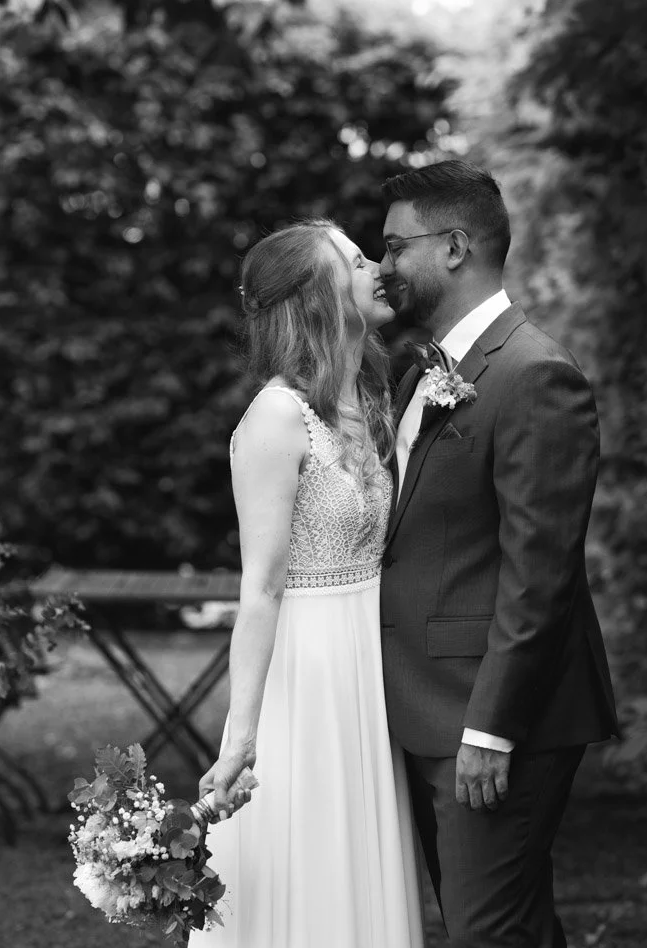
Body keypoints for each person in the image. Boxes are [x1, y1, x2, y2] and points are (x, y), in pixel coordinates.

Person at [378, 160, 620, 948]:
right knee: (502, 927)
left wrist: (489, 731)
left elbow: (539, 575)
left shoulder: (534, 374)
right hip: (427, 702)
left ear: (452, 247)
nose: (382, 269)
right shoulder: (430, 371)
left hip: (488, 715)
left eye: (392, 247)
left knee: (489, 932)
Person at [190, 220, 425, 948]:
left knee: (362, 864)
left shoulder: (371, 395)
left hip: (368, 666)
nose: (377, 268)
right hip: (308, 674)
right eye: (356, 262)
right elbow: (258, 588)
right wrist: (243, 737)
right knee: (308, 865)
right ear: (318, 296)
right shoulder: (275, 417)